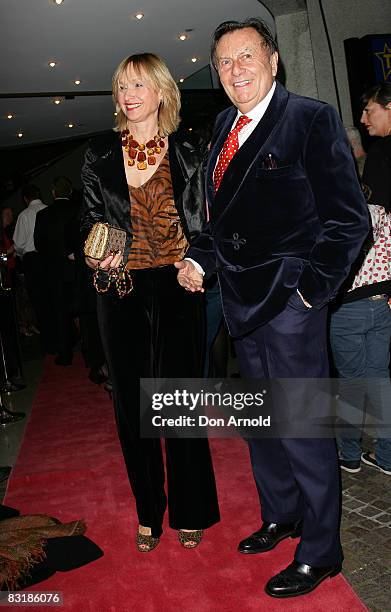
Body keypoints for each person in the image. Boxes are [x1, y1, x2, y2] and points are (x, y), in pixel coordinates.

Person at [176, 18, 368, 598]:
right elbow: (220, 222)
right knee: (263, 426)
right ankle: (282, 515)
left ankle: (321, 550)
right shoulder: (219, 128)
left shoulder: (309, 119)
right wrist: (199, 260)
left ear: (274, 60)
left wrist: (311, 294)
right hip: (240, 305)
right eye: (224, 62)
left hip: (291, 305)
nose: (235, 70)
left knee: (303, 428)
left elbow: (348, 221)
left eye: (246, 56)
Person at [80, 52, 219, 552]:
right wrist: (95, 255)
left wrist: (197, 262)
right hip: (122, 294)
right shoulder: (99, 153)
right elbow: (90, 221)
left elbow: (207, 225)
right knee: (132, 407)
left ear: (161, 91)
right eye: (121, 87)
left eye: (138, 85)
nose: (128, 95)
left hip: (178, 286)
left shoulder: (190, 150)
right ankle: (148, 510)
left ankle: (191, 508)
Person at [331, 82, 391, 476]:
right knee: (380, 380)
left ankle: (349, 454)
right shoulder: (380, 211)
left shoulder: (345, 213)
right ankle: (386, 456)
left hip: (350, 307)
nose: (364, 119)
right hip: (382, 303)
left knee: (351, 383)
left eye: (370, 110)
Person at [34, 177, 79, 365]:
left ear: (53, 193)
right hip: (78, 270)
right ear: (70, 192)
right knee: (85, 312)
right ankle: (92, 353)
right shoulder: (78, 211)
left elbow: (38, 245)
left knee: (60, 313)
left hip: (54, 272)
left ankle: (65, 353)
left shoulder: (43, 216)